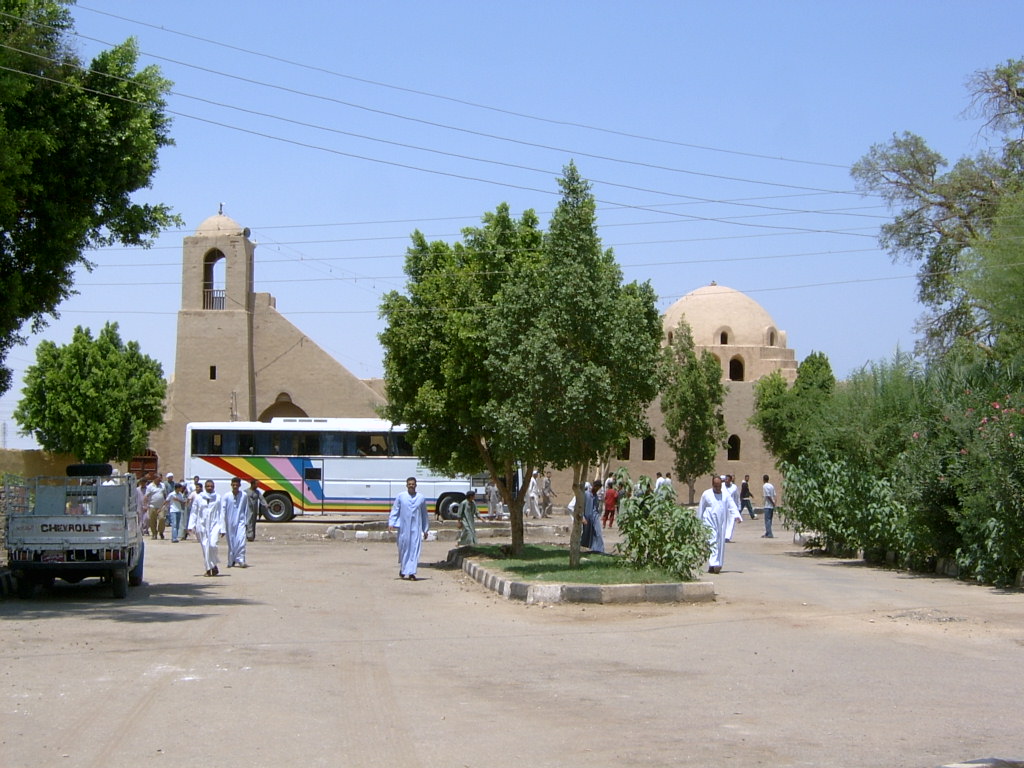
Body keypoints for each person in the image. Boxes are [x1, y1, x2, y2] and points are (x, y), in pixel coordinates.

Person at [388, 476, 429, 580]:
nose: (411, 486)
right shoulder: (401, 496)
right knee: (404, 548)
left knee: (414, 549)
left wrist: (425, 529)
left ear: (416, 485)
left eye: (413, 484)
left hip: (416, 528)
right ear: (406, 485)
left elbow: (424, 514)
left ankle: (411, 573)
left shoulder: (421, 498)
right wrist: (391, 523)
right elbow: (395, 510)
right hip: (403, 528)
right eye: (409, 484)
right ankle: (403, 569)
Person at [699, 474, 738, 574]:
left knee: (720, 543)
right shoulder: (706, 494)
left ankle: (715, 565)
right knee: (712, 541)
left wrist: (737, 515)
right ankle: (714, 564)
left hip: (721, 523)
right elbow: (701, 508)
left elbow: (732, 504)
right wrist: (698, 522)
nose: (717, 488)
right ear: (712, 485)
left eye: (719, 486)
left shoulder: (725, 495)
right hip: (709, 522)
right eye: (715, 486)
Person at [189, 479, 224, 576]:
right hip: (202, 525)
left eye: (211, 486)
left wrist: (223, 528)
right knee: (205, 547)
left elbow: (221, 513)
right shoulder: (199, 497)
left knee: (213, 545)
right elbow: (194, 511)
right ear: (205, 487)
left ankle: (213, 564)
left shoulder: (218, 497)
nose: (210, 488)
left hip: (214, 524)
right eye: (208, 486)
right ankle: (209, 569)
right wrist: (191, 525)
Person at [221, 476, 250, 568]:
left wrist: (246, 522)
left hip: (241, 521)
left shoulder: (244, 495)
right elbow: (222, 511)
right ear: (231, 485)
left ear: (239, 485)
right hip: (229, 523)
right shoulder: (226, 496)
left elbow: (246, 509)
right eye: (233, 485)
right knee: (231, 542)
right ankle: (231, 560)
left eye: (237, 485)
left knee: (241, 540)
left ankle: (241, 560)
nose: (235, 487)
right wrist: (222, 526)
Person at [580, 481, 605, 553]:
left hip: (595, 517)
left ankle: (600, 549)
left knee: (598, 532)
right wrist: (582, 517)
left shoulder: (595, 496)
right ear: (594, 486)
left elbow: (596, 508)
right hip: (587, 517)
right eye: (597, 488)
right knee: (586, 533)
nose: (597, 490)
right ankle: (584, 547)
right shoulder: (586, 494)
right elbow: (581, 506)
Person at [143, 475, 167, 540]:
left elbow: (165, 494)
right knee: (152, 520)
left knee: (162, 519)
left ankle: (161, 531)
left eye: (160, 479)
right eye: (159, 479)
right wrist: (145, 505)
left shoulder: (162, 485)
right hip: (152, 506)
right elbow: (146, 496)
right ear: (155, 479)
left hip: (161, 506)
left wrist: (165, 502)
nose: (160, 481)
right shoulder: (150, 486)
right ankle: (154, 534)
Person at [723, 474, 742, 542]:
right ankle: (722, 536)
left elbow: (737, 497)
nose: (726, 481)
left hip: (731, 507)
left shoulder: (734, 487)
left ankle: (727, 537)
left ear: (730, 480)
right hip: (723, 507)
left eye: (728, 479)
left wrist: (738, 507)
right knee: (723, 522)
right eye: (725, 479)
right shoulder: (722, 486)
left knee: (731, 522)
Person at [762, 474, 777, 539]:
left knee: (767, 520)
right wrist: (774, 503)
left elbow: (768, 496)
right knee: (770, 520)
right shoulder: (771, 485)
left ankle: (770, 534)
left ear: (763, 479)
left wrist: (772, 503)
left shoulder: (764, 486)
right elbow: (774, 495)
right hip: (771, 506)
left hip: (767, 505)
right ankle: (767, 532)